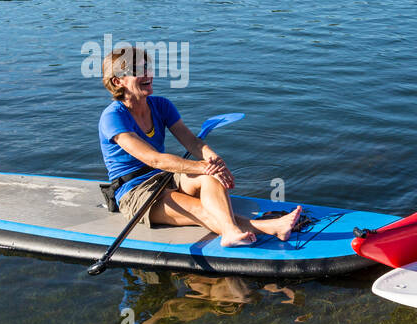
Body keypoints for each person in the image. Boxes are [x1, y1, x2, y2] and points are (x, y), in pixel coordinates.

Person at [97, 45, 300, 247]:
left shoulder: (161, 105)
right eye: (137, 70)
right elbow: (154, 159)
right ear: (118, 81)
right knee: (200, 209)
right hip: (136, 191)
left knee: (210, 176)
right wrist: (202, 166)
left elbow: (193, 142)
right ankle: (261, 228)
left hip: (164, 176)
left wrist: (216, 163)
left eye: (147, 67)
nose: (147, 73)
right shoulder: (113, 117)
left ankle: (236, 228)